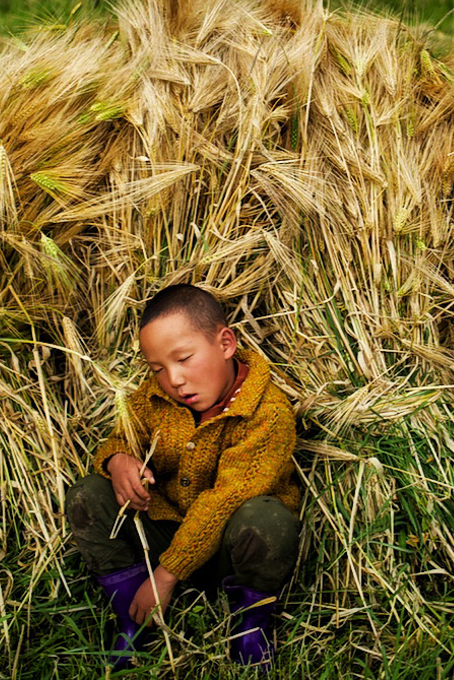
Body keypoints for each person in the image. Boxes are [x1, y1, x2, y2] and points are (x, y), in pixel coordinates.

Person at [65, 283, 300, 670]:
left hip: (229, 550)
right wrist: (118, 460)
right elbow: (124, 434)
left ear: (225, 343)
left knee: (269, 520)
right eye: (158, 369)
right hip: (166, 532)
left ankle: (251, 625)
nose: (173, 379)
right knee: (87, 495)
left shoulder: (267, 413)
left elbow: (227, 499)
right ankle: (133, 618)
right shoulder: (158, 396)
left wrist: (167, 574)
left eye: (184, 359)